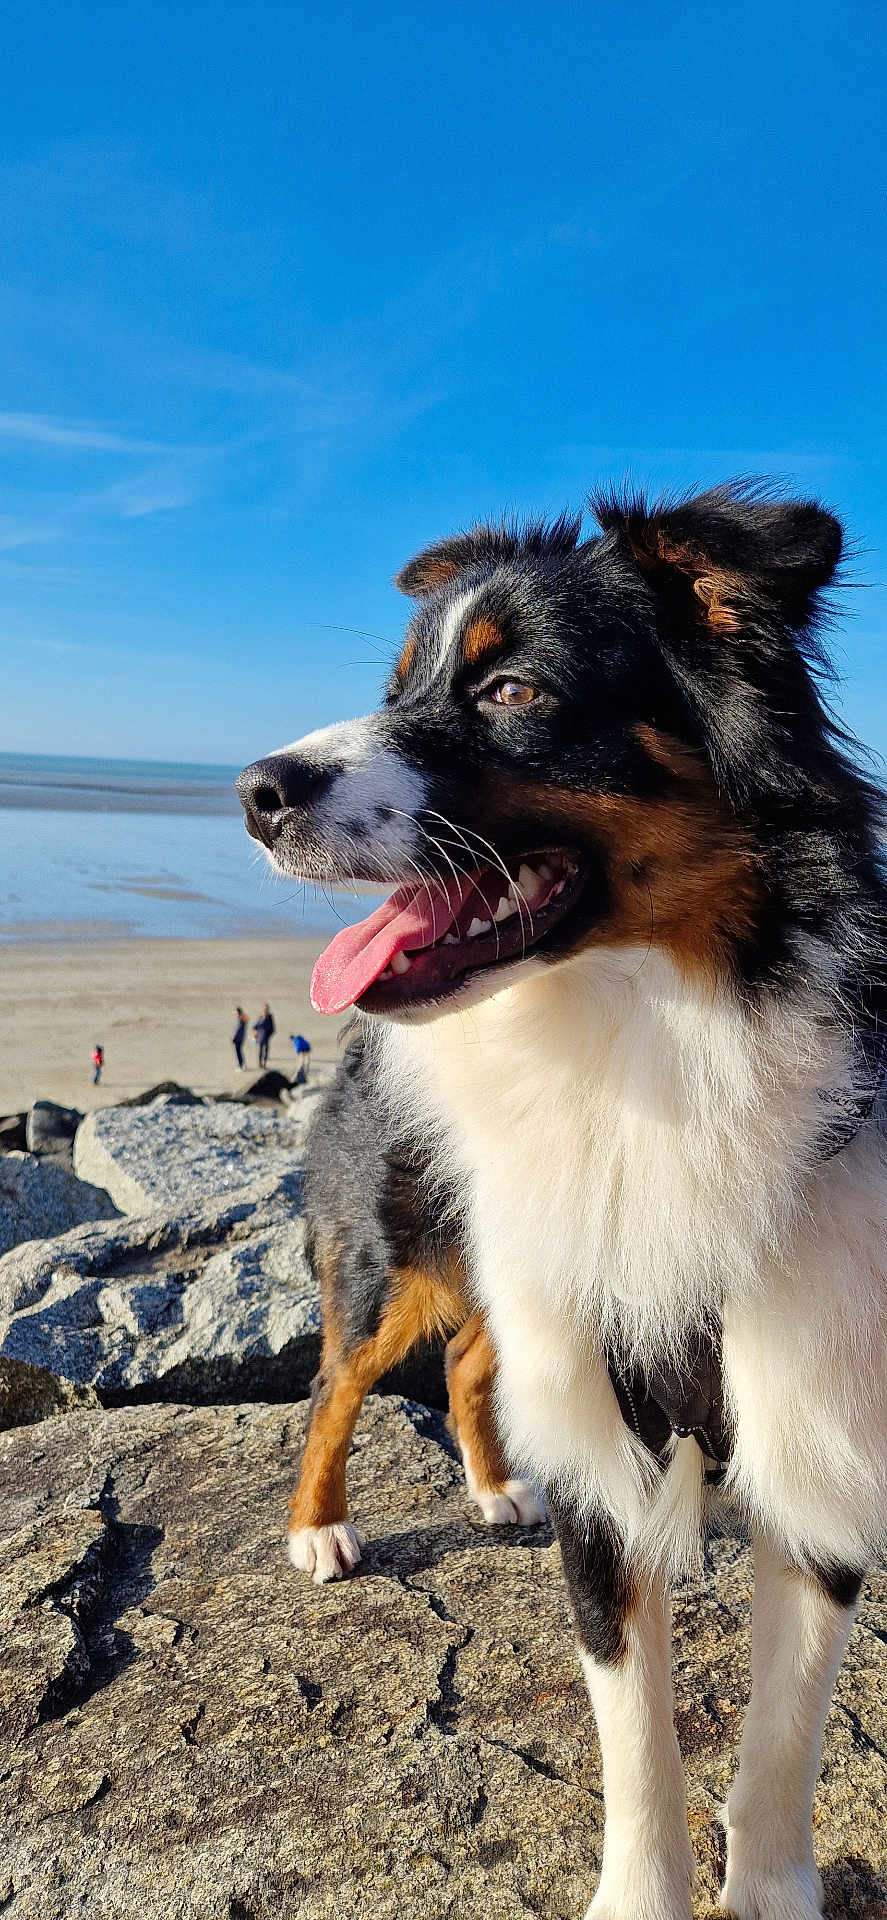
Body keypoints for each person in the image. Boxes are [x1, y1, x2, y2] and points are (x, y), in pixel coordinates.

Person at [253, 1003, 275, 1069]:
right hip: (260, 1036)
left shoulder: (270, 1017)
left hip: (266, 1037)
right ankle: (260, 1064)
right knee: (260, 1051)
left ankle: (264, 1064)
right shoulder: (260, 1017)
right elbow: (255, 1026)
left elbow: (273, 1028)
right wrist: (256, 1032)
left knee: (266, 1051)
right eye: (264, 1009)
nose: (265, 1010)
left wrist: (269, 1035)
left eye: (266, 1009)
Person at [232, 1006, 248, 1070]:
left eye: (235, 1012)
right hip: (241, 1037)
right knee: (239, 1051)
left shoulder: (241, 1018)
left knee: (238, 1052)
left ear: (238, 1012)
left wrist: (234, 1037)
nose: (235, 1013)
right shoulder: (242, 1018)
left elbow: (238, 1029)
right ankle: (242, 1064)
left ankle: (241, 1065)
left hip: (238, 1038)